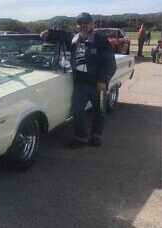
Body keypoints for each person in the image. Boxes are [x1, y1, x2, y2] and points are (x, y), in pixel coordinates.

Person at [41, 12, 116, 148]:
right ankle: (81, 138)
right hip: (81, 83)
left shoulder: (101, 40)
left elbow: (110, 63)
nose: (83, 26)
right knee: (77, 111)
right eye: (80, 24)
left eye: (86, 23)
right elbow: (62, 35)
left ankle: (96, 136)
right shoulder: (75, 39)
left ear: (92, 24)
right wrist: (49, 33)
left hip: (97, 84)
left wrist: (103, 80)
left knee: (99, 111)